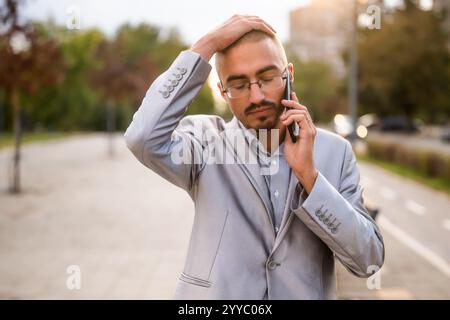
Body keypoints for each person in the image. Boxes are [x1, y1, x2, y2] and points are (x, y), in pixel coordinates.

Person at [124, 15, 384, 299]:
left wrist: (310, 178)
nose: (256, 96)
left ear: (289, 74)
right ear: (223, 92)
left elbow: (368, 260)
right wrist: (209, 43)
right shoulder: (204, 142)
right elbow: (142, 137)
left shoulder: (335, 152)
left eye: (267, 78)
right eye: (239, 84)